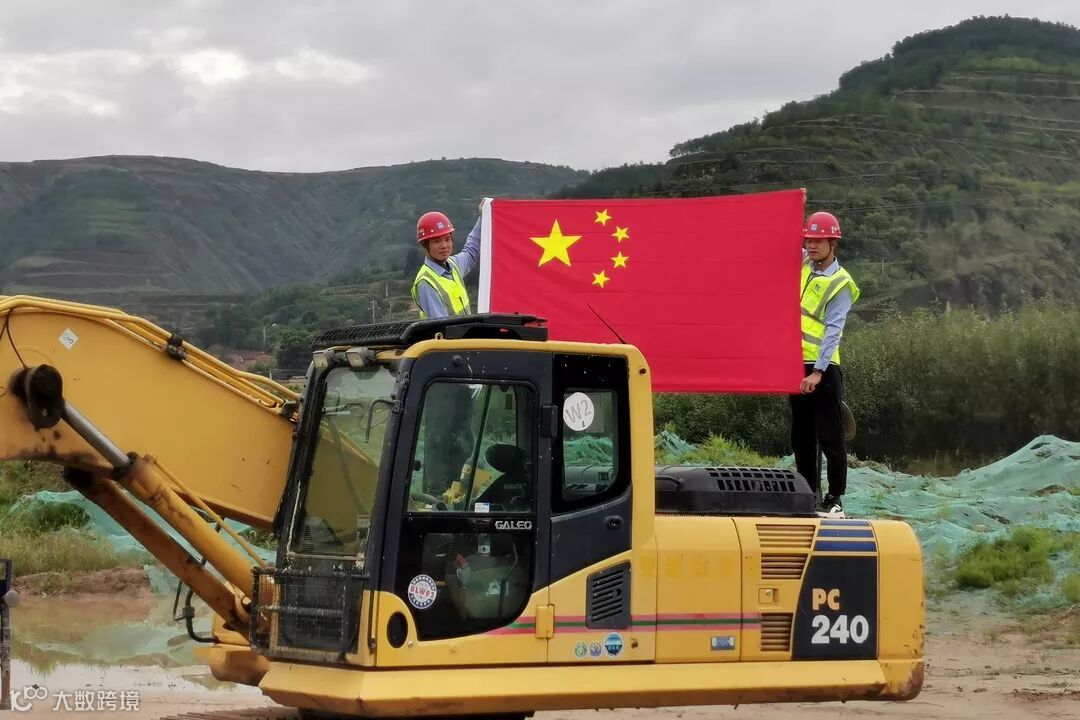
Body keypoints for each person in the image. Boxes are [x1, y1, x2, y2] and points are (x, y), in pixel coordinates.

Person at [790, 210, 860, 517]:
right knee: (802, 435)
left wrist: (818, 371)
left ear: (833, 243)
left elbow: (834, 330)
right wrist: (797, 208)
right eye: (809, 239)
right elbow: (786, 242)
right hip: (797, 365)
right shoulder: (806, 264)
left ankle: (835, 499)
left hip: (824, 369)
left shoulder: (840, 283)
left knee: (830, 435)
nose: (812, 245)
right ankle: (808, 495)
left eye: (819, 240)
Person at [410, 204, 483, 319]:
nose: (444, 246)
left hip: (466, 330)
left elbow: (471, 251)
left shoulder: (453, 265)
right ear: (425, 245)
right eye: (437, 241)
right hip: (452, 331)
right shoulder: (426, 283)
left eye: (447, 239)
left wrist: (483, 217)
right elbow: (441, 324)